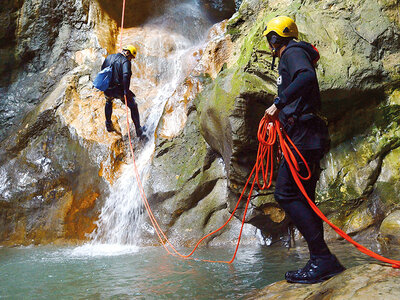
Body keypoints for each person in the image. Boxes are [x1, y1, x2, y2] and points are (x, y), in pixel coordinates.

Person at [262, 16, 345, 284]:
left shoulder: (293, 52)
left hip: (305, 136)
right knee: (305, 199)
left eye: (270, 39)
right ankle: (321, 261)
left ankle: (322, 259)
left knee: (285, 193)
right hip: (307, 135)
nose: (270, 44)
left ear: (276, 38)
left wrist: (279, 102)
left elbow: (306, 76)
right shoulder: (297, 53)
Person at [102, 45, 146, 139]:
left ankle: (108, 124)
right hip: (118, 90)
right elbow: (126, 75)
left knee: (108, 102)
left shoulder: (109, 57)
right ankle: (138, 130)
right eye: (131, 57)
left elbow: (102, 69)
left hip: (107, 88)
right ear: (127, 53)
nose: (131, 60)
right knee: (133, 106)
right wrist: (126, 91)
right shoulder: (125, 61)